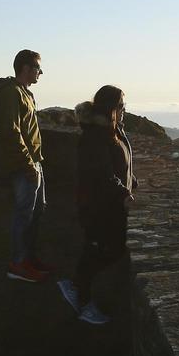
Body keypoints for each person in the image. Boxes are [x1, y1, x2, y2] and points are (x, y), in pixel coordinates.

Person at [58, 85, 137, 324]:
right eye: (121, 106)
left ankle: (76, 288)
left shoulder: (114, 130)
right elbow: (102, 173)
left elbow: (120, 162)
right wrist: (124, 193)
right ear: (111, 107)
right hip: (99, 206)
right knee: (104, 248)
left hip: (109, 204)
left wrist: (132, 180)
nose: (124, 110)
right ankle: (80, 295)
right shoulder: (95, 135)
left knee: (102, 248)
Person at [0, 49, 50, 282]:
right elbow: (11, 131)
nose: (40, 72)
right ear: (25, 68)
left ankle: (28, 258)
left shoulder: (26, 93)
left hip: (35, 163)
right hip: (24, 165)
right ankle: (17, 264)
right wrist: (28, 165)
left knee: (36, 212)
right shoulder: (11, 93)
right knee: (23, 215)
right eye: (38, 68)